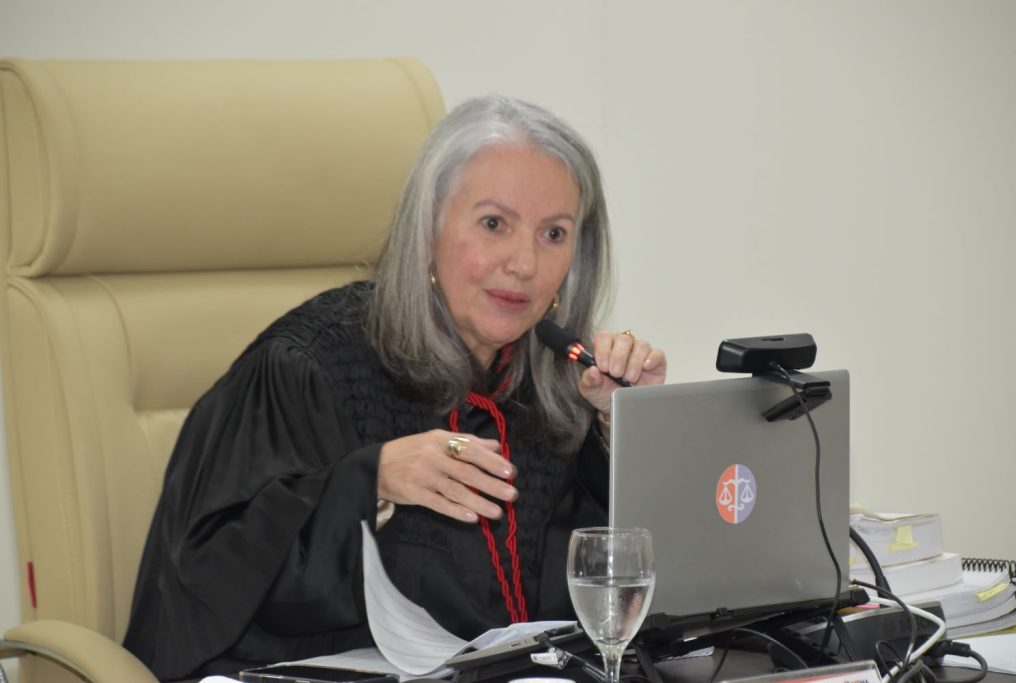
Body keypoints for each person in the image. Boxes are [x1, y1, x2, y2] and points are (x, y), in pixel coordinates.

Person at [123, 95, 668, 681]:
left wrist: (625, 428)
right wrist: (371, 482)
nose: (524, 263)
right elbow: (204, 580)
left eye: (553, 233)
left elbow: (616, 601)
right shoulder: (306, 365)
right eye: (494, 224)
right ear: (427, 228)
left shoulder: (560, 382)